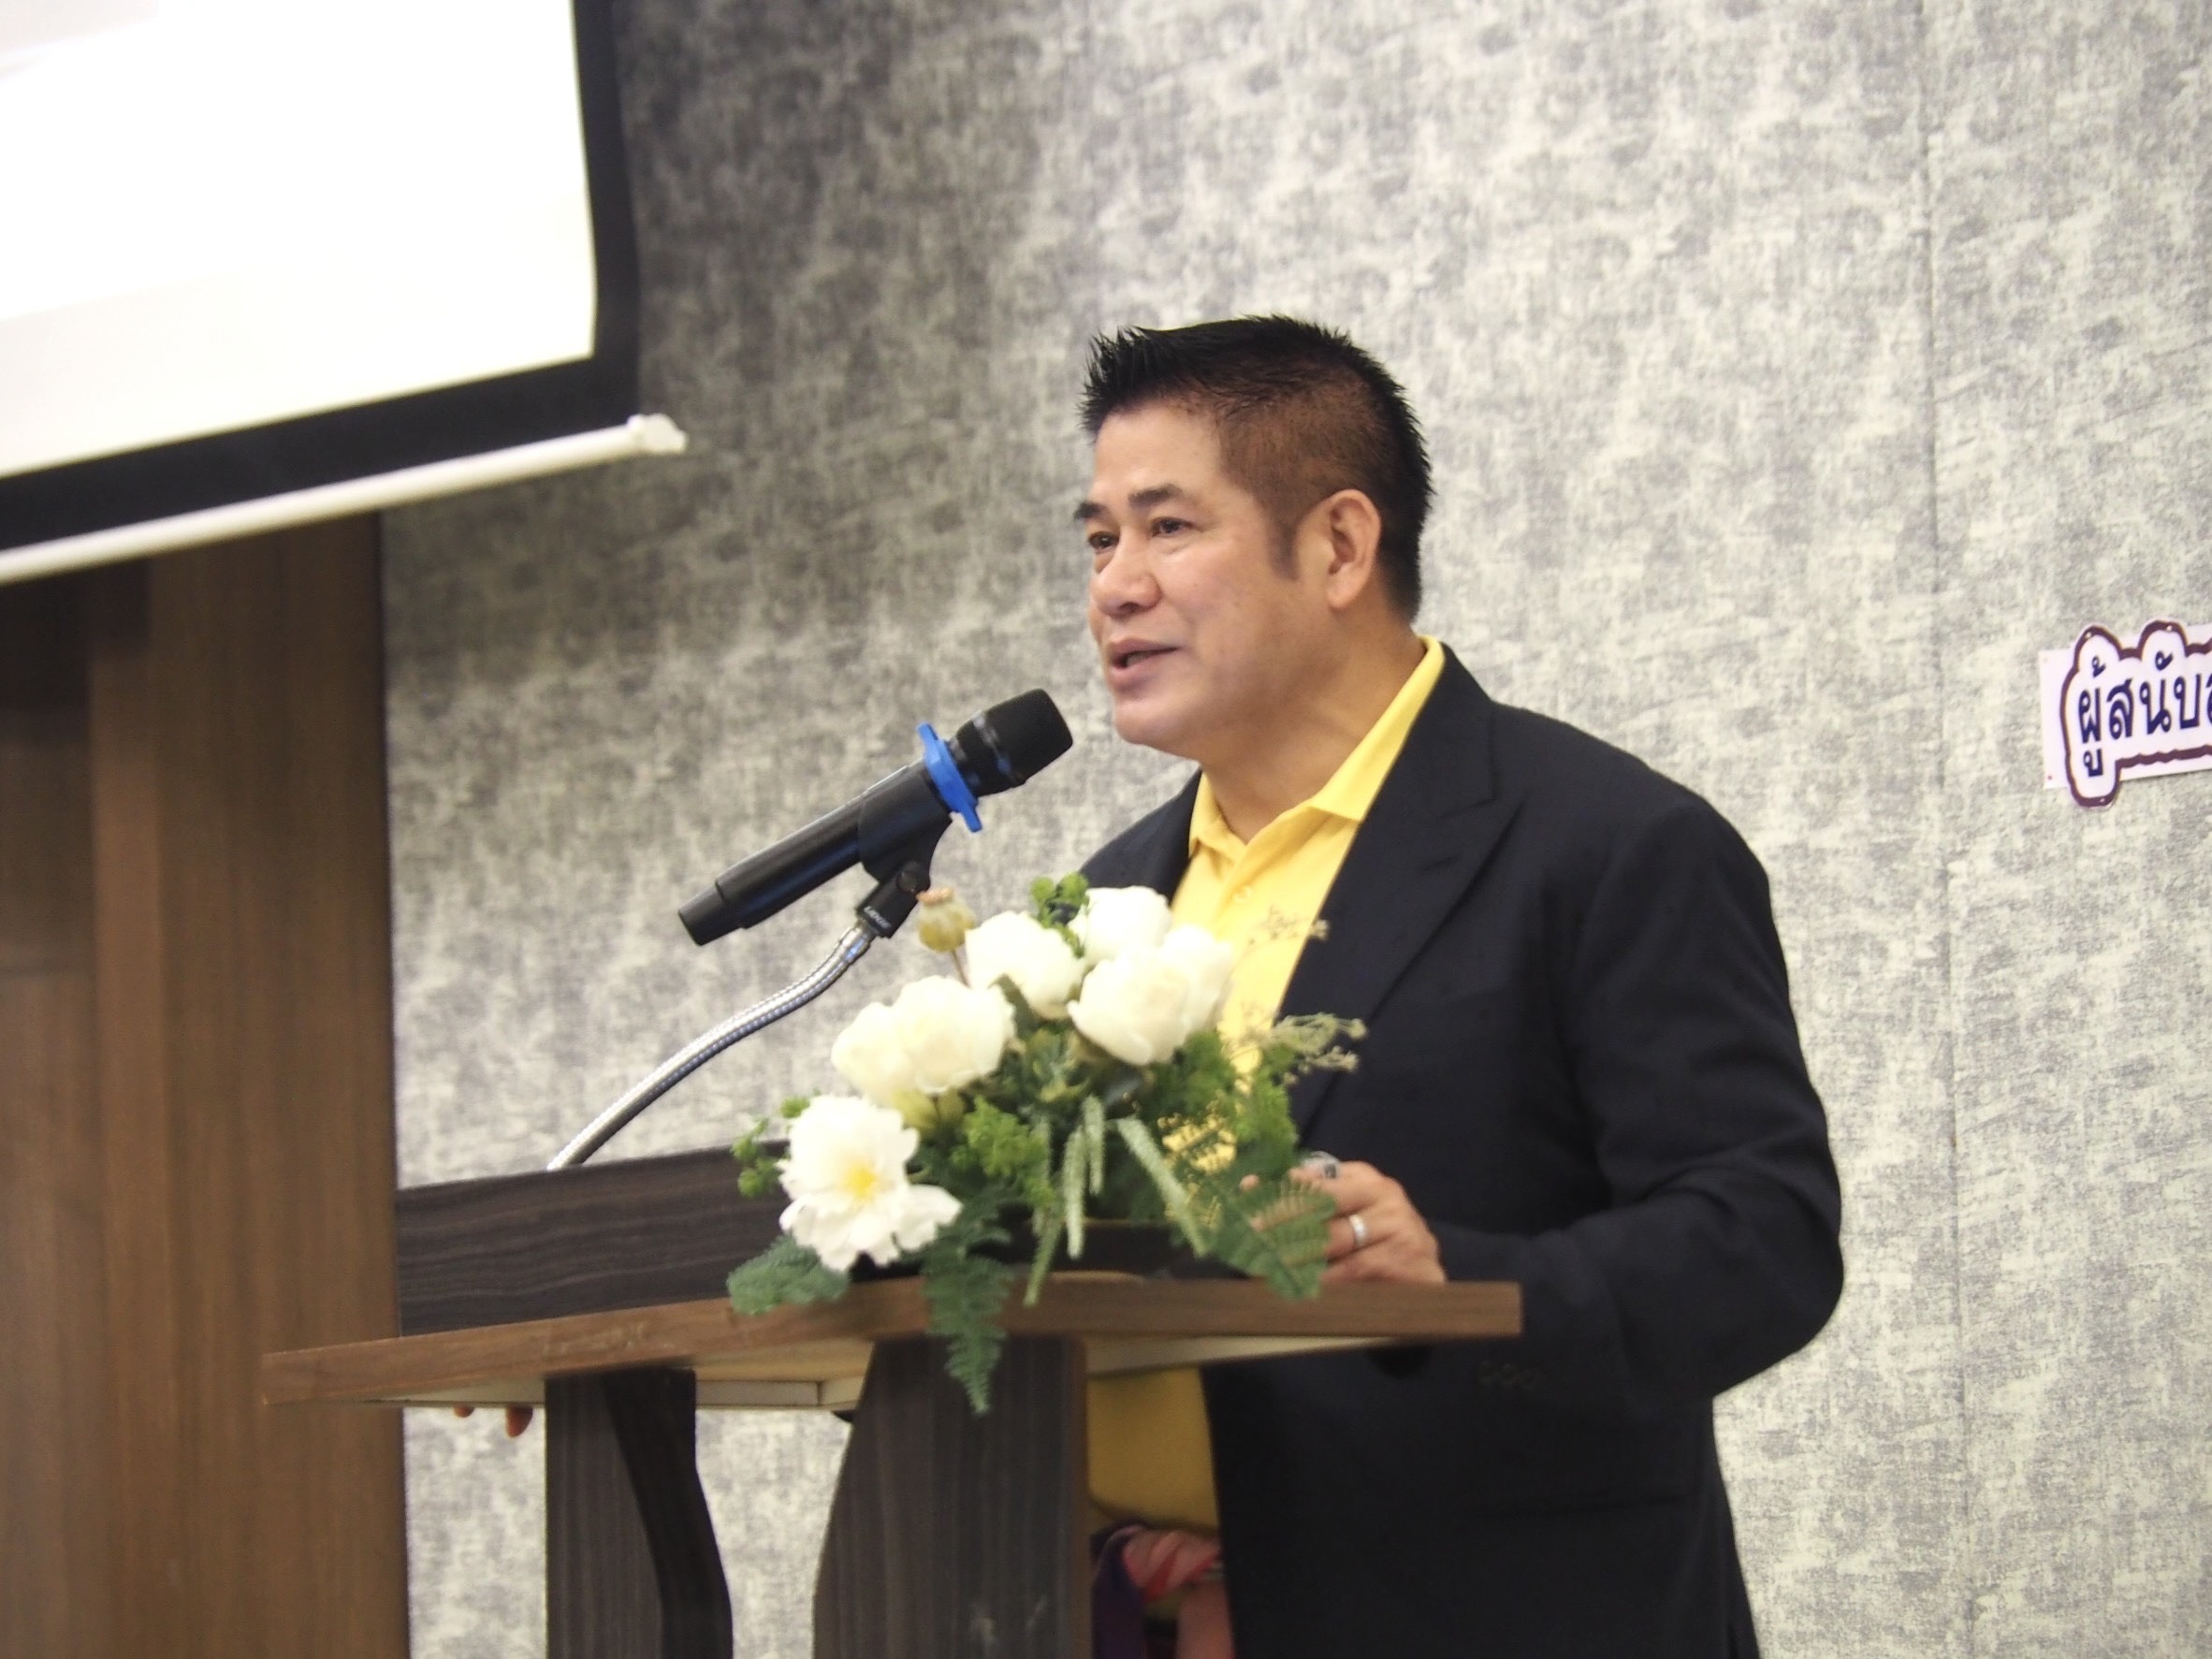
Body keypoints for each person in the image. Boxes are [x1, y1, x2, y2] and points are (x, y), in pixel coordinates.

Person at [1073, 316, 1842, 1658]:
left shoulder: (1602, 845)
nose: (1115, 588)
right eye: (1098, 540)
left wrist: (1463, 1279)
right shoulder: (1106, 906)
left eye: (1167, 527)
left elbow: (1763, 1242)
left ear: (1339, 546)